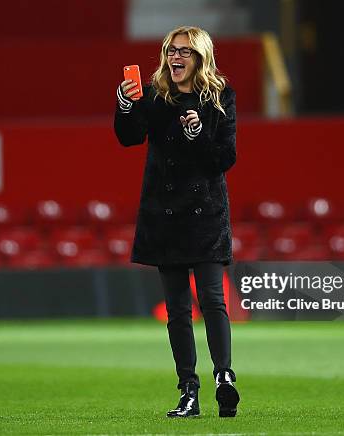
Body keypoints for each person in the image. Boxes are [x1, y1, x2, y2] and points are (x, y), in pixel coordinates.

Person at [114, 26, 239, 418]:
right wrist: (124, 103)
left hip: (204, 214)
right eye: (171, 51)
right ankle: (188, 389)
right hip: (164, 214)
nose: (176, 57)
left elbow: (225, 158)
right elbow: (129, 137)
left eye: (185, 51)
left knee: (213, 301)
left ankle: (224, 377)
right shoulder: (154, 96)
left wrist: (199, 134)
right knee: (177, 310)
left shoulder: (219, 96)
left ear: (201, 57)